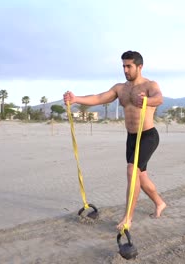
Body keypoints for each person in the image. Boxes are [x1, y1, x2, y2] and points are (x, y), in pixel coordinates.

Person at [63, 50, 166, 231]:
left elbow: (159, 98)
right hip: (132, 138)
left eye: (129, 66)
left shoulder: (150, 85)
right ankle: (159, 203)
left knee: (131, 171)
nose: (126, 70)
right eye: (124, 66)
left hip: (148, 135)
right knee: (140, 176)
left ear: (139, 67)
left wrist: (147, 101)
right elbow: (99, 98)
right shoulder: (120, 88)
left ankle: (128, 218)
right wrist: (75, 99)